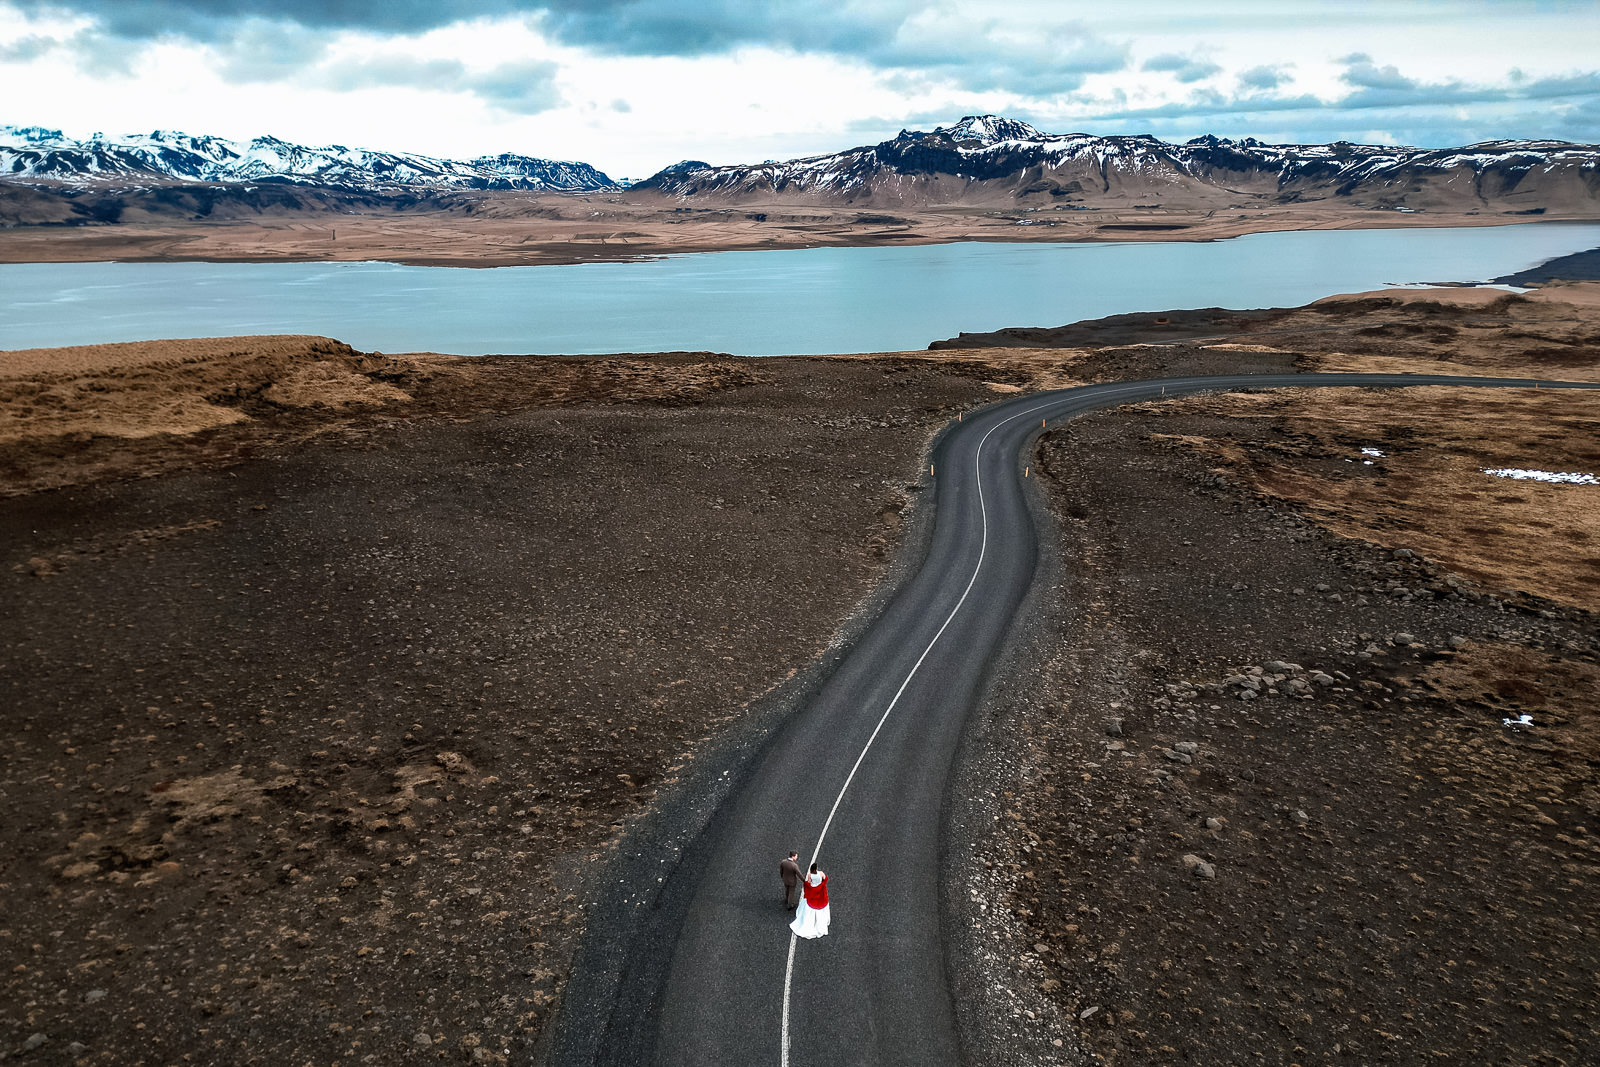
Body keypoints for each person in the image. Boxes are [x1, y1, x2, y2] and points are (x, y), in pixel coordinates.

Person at [790, 862, 830, 939]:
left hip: (813, 890)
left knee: (809, 903)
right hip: (820, 890)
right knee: (821, 904)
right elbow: (825, 879)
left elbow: (808, 882)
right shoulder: (821, 873)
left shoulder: (810, 875)